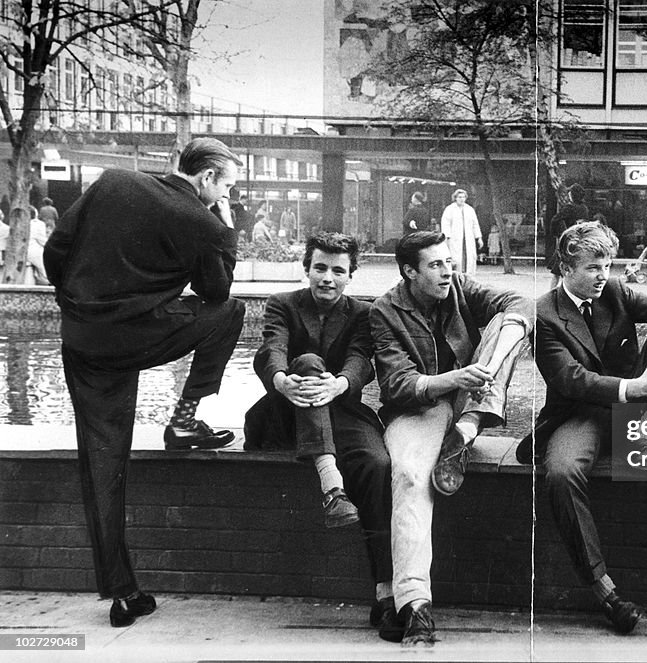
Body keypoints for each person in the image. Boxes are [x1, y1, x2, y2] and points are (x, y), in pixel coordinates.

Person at [42, 137, 246, 628]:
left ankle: (123, 593)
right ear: (207, 178)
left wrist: (83, 305)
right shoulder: (203, 221)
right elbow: (217, 293)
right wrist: (225, 231)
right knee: (232, 313)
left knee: (101, 457)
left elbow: (55, 252)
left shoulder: (112, 182)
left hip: (84, 337)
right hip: (139, 335)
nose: (227, 198)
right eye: (227, 188)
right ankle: (185, 418)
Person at [517, 221, 647, 635]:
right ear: (566, 268)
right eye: (592, 267)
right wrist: (638, 386)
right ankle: (605, 592)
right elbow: (571, 380)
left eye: (607, 264)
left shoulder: (616, 291)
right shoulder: (544, 314)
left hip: (637, 409)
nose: (604, 274)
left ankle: (646, 435)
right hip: (580, 413)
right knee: (562, 474)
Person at [370, 231, 531, 646]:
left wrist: (486, 366)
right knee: (408, 475)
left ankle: (465, 431)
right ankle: (415, 605)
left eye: (449, 261)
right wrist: (452, 378)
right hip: (420, 405)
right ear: (409, 271)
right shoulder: (385, 311)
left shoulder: (460, 287)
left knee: (511, 321)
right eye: (436, 264)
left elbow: (520, 304)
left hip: (470, 398)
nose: (448, 271)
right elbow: (397, 384)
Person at [244, 232, 400, 640]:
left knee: (377, 463)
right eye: (319, 268)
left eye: (337, 270)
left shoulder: (364, 313)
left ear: (351, 275)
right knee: (308, 361)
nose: (327, 278)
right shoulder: (283, 304)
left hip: (342, 407)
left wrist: (340, 385)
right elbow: (271, 348)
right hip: (283, 414)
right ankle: (331, 480)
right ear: (307, 269)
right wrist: (282, 380)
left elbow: (360, 360)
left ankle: (385, 591)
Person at [546, 184, 590, 288]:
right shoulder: (584, 208)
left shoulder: (569, 208)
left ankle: (552, 294)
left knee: (556, 273)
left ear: (573, 195)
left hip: (566, 243)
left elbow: (555, 220)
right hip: (579, 242)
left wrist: (560, 233)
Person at [439, 189, 483, 276]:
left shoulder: (470, 209)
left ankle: (469, 276)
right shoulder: (450, 209)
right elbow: (446, 224)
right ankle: (457, 276)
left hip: (468, 239)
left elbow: (475, 224)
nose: (461, 199)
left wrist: (479, 238)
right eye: (459, 197)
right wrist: (447, 237)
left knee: (470, 258)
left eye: (463, 197)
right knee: (456, 259)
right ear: (455, 198)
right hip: (455, 239)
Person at [25, 205, 49, 284]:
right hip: (34, 251)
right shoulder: (39, 224)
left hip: (24, 251)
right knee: (45, 269)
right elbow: (42, 240)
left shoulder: (22, 223)